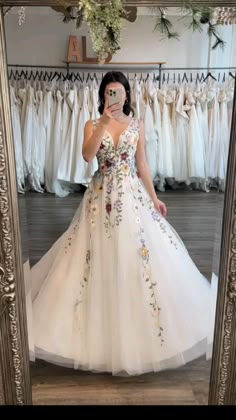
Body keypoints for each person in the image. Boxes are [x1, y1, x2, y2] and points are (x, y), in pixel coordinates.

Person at [31, 71, 211, 376]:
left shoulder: (137, 125)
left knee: (136, 253)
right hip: (100, 198)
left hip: (131, 196)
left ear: (127, 95)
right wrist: (102, 124)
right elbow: (88, 156)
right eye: (109, 92)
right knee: (92, 257)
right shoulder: (91, 123)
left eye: (119, 92)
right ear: (103, 96)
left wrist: (154, 199)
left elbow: (142, 164)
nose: (114, 97)